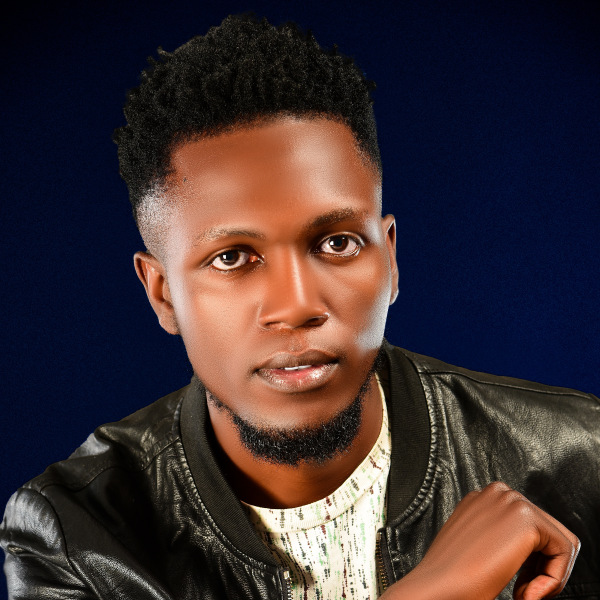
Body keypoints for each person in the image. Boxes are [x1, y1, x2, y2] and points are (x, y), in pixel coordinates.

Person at [1, 12, 598, 600]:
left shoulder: (582, 459)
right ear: (163, 294)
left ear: (390, 260)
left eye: (337, 244)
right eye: (232, 257)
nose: (296, 306)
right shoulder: (75, 539)